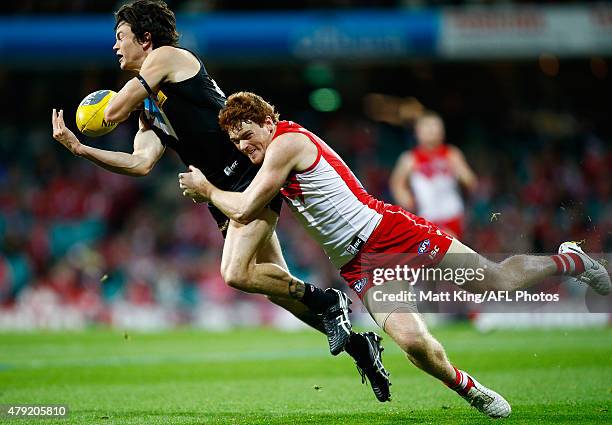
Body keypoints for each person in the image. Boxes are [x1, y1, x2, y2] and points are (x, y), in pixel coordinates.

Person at [178, 91, 612, 419]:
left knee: (494, 280)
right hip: (359, 264)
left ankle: (571, 260)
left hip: (387, 231)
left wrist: (206, 189)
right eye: (235, 141)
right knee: (412, 343)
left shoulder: (286, 144)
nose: (242, 146)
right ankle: (470, 389)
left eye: (247, 135)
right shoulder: (268, 151)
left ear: (268, 121)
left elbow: (245, 207)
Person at [50, 0, 391, 402]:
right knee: (276, 289)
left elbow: (113, 110)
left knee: (235, 273)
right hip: (219, 191)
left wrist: (96, 116)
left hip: (247, 173)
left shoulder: (166, 58)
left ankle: (329, 298)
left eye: (120, 37)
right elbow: (141, 163)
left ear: (145, 38)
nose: (115, 47)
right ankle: (359, 347)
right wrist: (81, 150)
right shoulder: (149, 105)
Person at [389, 110, 477, 239]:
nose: (432, 131)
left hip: (453, 216)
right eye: (427, 127)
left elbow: (470, 180)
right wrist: (405, 199)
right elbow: (396, 183)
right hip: (428, 218)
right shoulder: (410, 159)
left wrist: (463, 175)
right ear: (417, 132)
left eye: (435, 127)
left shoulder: (451, 153)